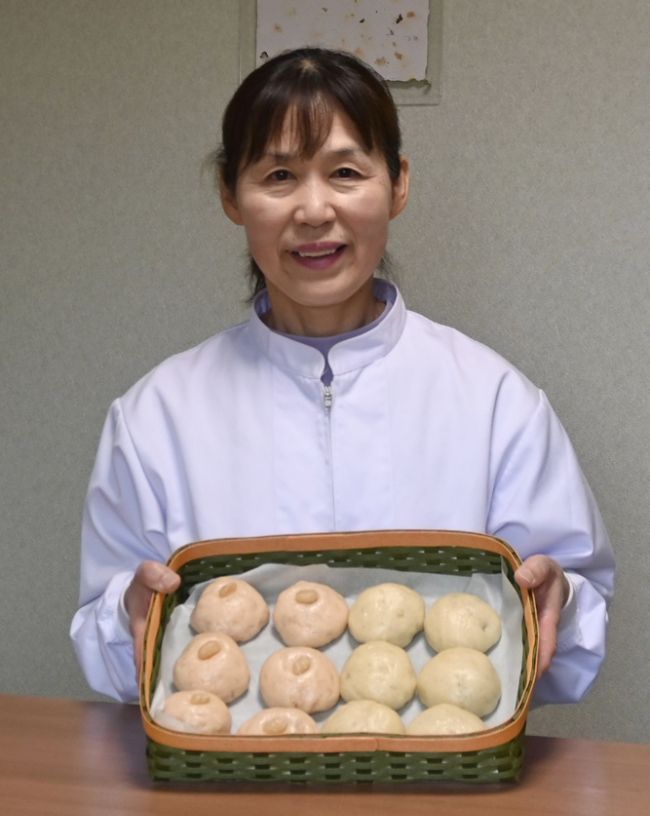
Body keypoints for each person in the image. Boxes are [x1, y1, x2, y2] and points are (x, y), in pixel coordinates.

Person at [70, 47, 615, 707]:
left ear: (399, 183)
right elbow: (106, 640)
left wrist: (560, 599)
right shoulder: (157, 416)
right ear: (229, 195)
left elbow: (575, 627)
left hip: (443, 791)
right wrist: (128, 614)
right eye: (278, 176)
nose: (313, 210)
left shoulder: (495, 401)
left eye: (346, 172)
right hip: (225, 791)